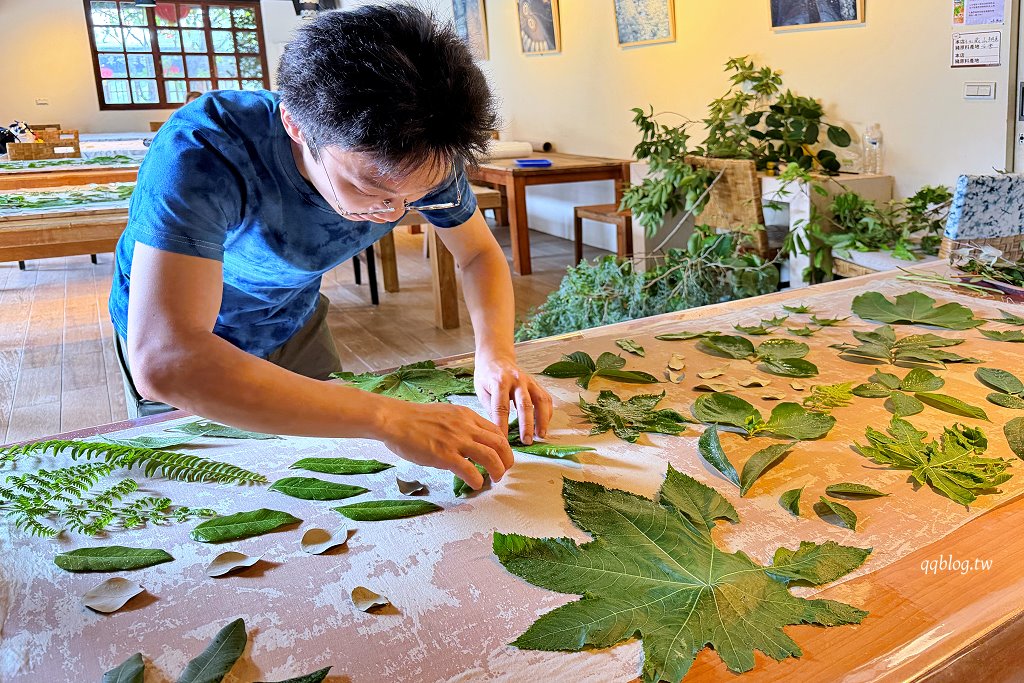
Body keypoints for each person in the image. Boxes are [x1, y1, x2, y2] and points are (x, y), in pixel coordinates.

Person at [108, 5, 552, 491]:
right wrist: (389, 417)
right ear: (296, 126)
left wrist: (496, 353)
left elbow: (478, 254)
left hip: (292, 316)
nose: (393, 214)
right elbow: (169, 360)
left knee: (325, 478)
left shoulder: (425, 153)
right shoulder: (206, 150)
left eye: (414, 198)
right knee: (204, 490)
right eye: (373, 191)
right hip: (184, 333)